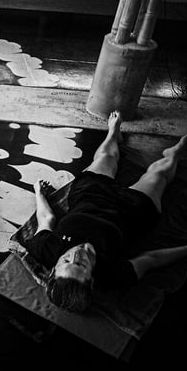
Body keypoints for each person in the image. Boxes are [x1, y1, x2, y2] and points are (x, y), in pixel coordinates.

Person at [25, 110, 187, 313]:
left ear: (52, 270)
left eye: (66, 260)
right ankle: (174, 154)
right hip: (132, 211)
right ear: (91, 280)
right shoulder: (114, 275)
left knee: (105, 156)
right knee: (160, 173)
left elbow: (46, 218)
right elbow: (151, 259)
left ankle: (113, 132)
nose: (76, 254)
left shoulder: (45, 249)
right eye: (82, 265)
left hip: (90, 196)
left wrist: (38, 193)